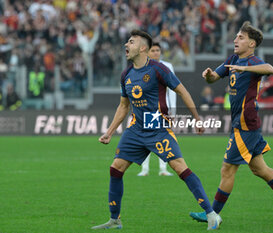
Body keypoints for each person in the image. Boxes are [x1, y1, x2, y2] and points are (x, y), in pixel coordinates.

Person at [91, 30, 222, 230]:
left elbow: (181, 90)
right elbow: (124, 106)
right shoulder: (126, 74)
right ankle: (115, 220)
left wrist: (197, 119)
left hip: (157, 125)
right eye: (127, 41)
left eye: (131, 41)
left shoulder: (158, 69)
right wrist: (109, 131)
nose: (126, 44)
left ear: (142, 48)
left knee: (179, 167)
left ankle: (211, 214)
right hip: (135, 128)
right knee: (116, 168)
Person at [189, 21, 273, 225]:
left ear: (251, 44)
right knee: (259, 168)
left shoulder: (252, 63)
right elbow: (214, 77)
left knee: (227, 170)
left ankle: (212, 215)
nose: (235, 40)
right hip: (243, 124)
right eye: (236, 37)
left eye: (240, 37)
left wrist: (245, 69)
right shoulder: (233, 59)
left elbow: (270, 68)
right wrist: (208, 76)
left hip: (245, 124)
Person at [137, 42, 176, 177]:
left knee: (163, 139)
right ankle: (145, 169)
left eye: (157, 50)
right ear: (147, 53)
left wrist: (172, 110)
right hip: (147, 110)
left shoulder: (167, 66)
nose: (155, 53)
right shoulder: (142, 67)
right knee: (146, 139)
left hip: (163, 110)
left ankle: (163, 169)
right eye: (153, 50)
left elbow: (172, 90)